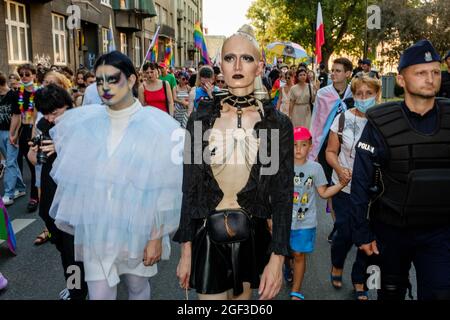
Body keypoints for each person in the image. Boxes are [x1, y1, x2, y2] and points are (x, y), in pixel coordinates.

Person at [49, 51, 183, 300]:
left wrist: (155, 236)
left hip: (138, 227)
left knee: (137, 288)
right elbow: (79, 182)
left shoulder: (158, 126)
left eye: (112, 79)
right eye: (99, 81)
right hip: (97, 227)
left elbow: (166, 189)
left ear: (132, 80)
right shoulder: (86, 123)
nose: (104, 87)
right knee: (99, 294)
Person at [175, 25, 293, 301]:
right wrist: (186, 251)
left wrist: (277, 259)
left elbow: (282, 195)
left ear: (259, 66)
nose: (238, 65)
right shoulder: (200, 120)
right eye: (229, 58)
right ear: (220, 66)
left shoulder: (275, 124)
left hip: (253, 236)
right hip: (208, 234)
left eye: (247, 58)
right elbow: (189, 188)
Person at [351, 39, 450, 300]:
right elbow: (361, 179)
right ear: (402, 80)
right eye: (421, 72)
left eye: (436, 72)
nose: (430, 79)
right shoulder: (381, 123)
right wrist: (362, 232)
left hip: (440, 233)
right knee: (389, 293)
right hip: (390, 232)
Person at [28, 84, 88, 299]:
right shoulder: (44, 123)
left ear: (68, 105)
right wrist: (34, 150)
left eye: (55, 113)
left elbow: (91, 158)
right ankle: (75, 286)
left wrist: (60, 147)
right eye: (46, 114)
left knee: (73, 252)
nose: (51, 119)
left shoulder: (81, 122)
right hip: (51, 192)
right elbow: (32, 159)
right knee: (63, 249)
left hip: (75, 196)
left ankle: (77, 291)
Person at [325, 75, 381, 300]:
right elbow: (330, 152)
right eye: (359, 94)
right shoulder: (342, 119)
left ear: (377, 95)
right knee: (346, 232)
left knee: (368, 236)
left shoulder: (382, 121)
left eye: (369, 94)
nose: (364, 98)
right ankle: (337, 263)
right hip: (344, 187)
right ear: (353, 96)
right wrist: (339, 170)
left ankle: (360, 280)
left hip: (373, 192)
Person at [288, 127, 349, 300]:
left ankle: (296, 291)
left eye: (303, 145)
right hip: (284, 221)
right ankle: (287, 266)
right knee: (288, 253)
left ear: (310, 146)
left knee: (299, 254)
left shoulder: (315, 168)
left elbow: (323, 193)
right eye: (294, 145)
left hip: (305, 222)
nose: (298, 149)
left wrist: (341, 185)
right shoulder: (282, 167)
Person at [10, 64, 40, 212]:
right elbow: (16, 115)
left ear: (34, 75)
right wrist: (12, 134)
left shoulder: (40, 92)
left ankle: (34, 197)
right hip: (23, 132)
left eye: (27, 74)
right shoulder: (18, 94)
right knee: (29, 165)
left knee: (35, 167)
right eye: (21, 75)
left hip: (37, 132)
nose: (24, 77)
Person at [0, 72, 26, 207]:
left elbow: (18, 116)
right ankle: (20, 188)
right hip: (0, 132)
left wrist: (13, 134)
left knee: (10, 162)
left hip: (11, 132)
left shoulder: (14, 95)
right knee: (12, 162)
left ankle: (8, 194)